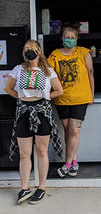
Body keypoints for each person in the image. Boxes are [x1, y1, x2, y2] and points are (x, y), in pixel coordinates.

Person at [5, 39, 63, 205]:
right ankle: (24, 188)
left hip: (43, 112)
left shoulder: (48, 70)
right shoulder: (18, 69)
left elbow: (59, 90)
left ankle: (42, 187)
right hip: (23, 113)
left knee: (41, 150)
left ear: (39, 51)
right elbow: (8, 88)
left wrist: (44, 98)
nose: (28, 49)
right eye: (26, 48)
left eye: (32, 47)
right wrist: (23, 100)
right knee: (24, 153)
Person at [48, 26, 94, 178]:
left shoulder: (84, 52)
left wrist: (91, 94)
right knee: (68, 131)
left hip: (80, 98)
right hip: (62, 98)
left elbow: (90, 74)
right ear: (62, 38)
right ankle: (74, 162)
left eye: (71, 37)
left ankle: (67, 164)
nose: (69, 40)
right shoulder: (55, 55)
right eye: (66, 37)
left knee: (74, 130)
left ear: (76, 38)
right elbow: (48, 75)